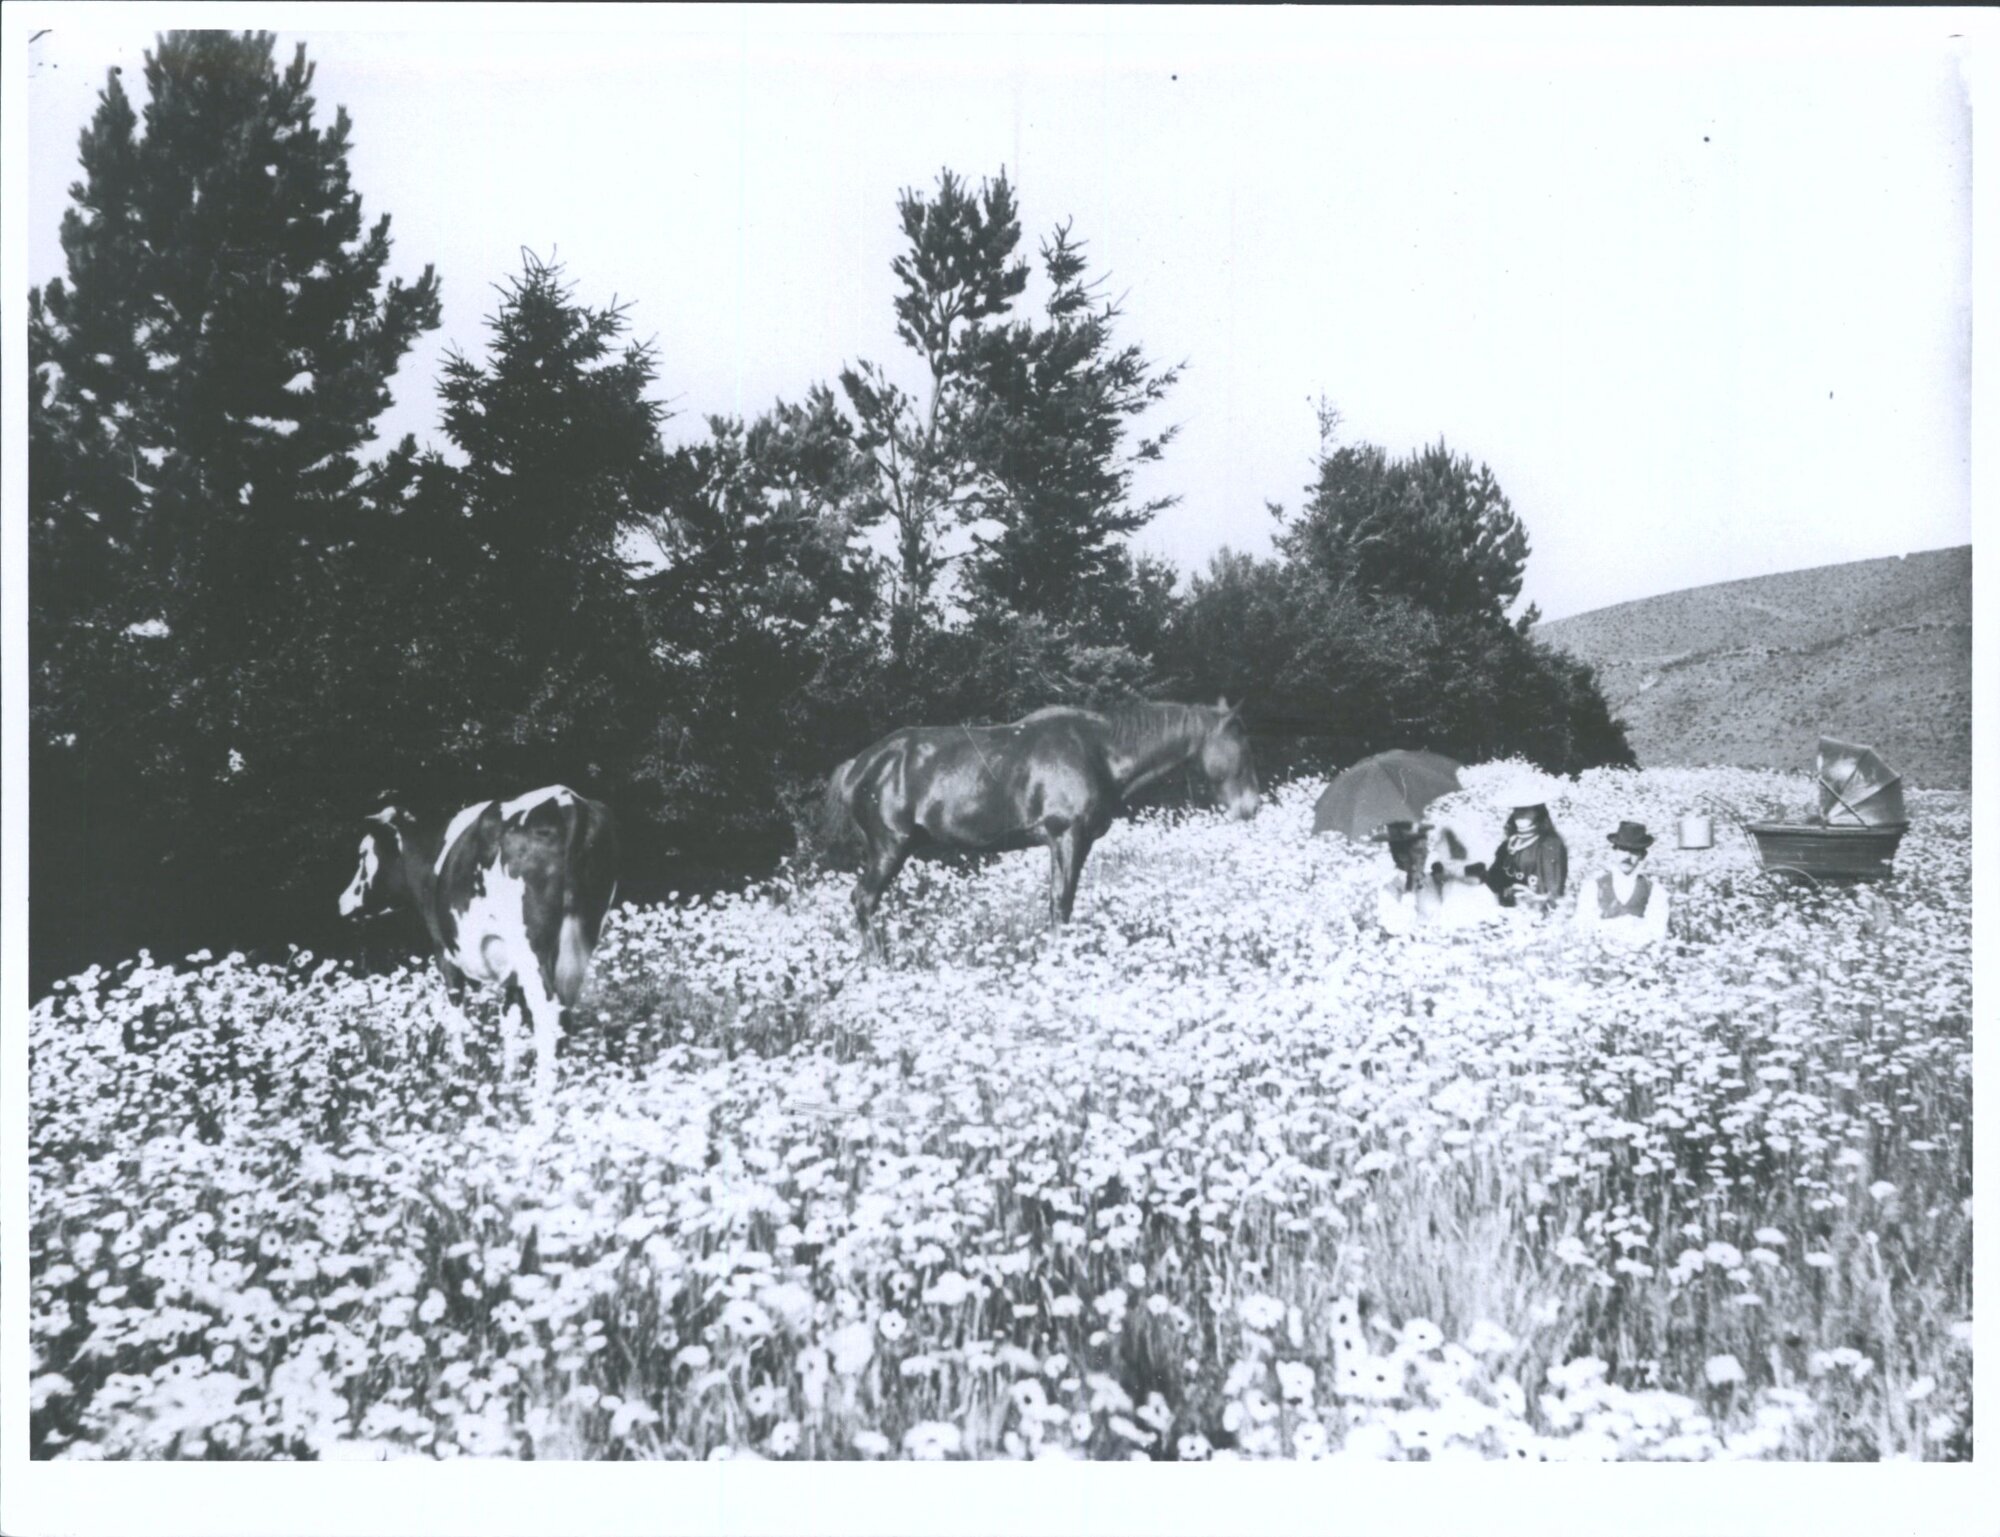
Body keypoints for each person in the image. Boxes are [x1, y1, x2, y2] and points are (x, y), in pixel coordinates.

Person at [1573, 820, 1671, 946]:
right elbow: (1584, 928)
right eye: (1623, 849)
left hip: (1640, 958)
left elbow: (1657, 933)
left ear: (1642, 855)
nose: (1627, 857)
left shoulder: (1655, 891)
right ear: (1614, 851)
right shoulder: (1593, 887)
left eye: (1634, 851)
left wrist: (1610, 928)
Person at [1486, 800, 1568, 913]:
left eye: (1525, 809)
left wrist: (1530, 894)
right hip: (1506, 909)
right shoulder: (1507, 844)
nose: (1520, 813)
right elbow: (1495, 880)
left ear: (1538, 812)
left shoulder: (1549, 844)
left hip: (1536, 912)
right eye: (1517, 809)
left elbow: (1554, 888)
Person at [1372, 820, 1430, 936]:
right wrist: (1409, 892)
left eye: (1425, 849)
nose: (1425, 854)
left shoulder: (1429, 879)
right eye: (1418, 850)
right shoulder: (1388, 890)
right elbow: (1395, 928)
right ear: (1402, 856)